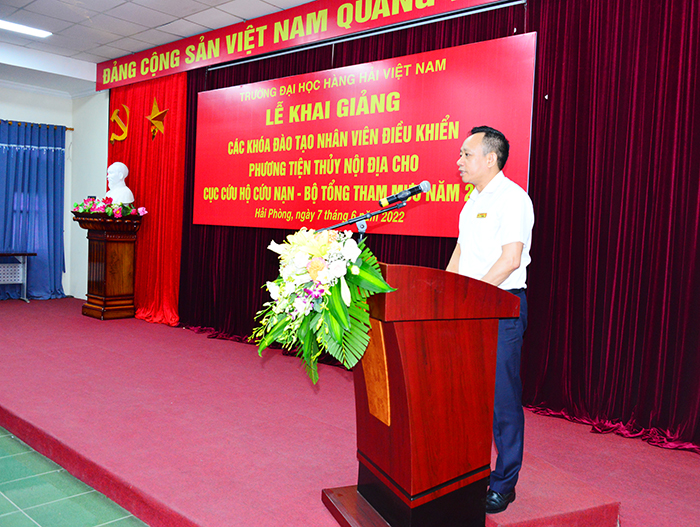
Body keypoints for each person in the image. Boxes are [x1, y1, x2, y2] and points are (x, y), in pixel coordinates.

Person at [446, 126, 534, 514]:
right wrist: (442, 294)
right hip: (468, 308)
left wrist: (469, 297)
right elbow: (461, 252)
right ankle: (464, 471)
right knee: (464, 395)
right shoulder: (471, 201)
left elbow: (510, 259)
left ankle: (504, 483)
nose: (459, 161)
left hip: (500, 308)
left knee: (502, 401)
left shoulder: (513, 199)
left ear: (491, 158)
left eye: (466, 154)